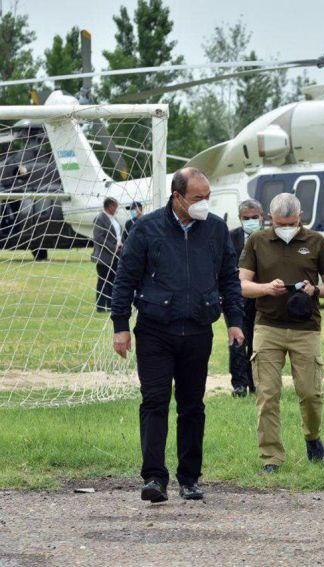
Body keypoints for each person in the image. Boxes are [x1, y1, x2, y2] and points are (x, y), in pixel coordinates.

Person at [111, 167, 244, 503]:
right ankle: (155, 478)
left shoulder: (215, 230)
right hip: (156, 330)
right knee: (154, 401)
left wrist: (235, 320)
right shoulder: (147, 228)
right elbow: (125, 279)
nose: (204, 204)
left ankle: (190, 478)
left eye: (208, 197)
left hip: (198, 330)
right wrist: (120, 326)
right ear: (177, 197)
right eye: (198, 198)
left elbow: (230, 278)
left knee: (192, 406)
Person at [239, 192, 324, 473]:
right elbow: (242, 284)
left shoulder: (316, 241)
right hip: (267, 326)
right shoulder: (257, 241)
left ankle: (312, 436)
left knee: (310, 393)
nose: (286, 228)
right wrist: (266, 288)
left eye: (291, 223)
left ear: (300, 217)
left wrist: (315, 289)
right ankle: (271, 457)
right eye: (280, 223)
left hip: (305, 328)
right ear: (270, 219)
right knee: (267, 394)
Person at [229, 198, 264, 397]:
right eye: (246, 218)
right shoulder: (230, 237)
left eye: (254, 217)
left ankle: (254, 382)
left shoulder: (268, 238)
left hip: (260, 297)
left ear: (262, 217)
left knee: (256, 341)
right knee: (237, 341)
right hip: (236, 298)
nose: (250, 221)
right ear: (240, 219)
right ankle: (239, 384)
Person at [92, 197, 122, 312]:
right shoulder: (100, 218)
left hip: (116, 255)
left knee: (113, 281)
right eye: (115, 206)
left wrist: (120, 244)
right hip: (105, 256)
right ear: (110, 206)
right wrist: (113, 247)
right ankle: (100, 306)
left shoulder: (114, 219)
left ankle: (110, 305)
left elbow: (117, 235)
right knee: (103, 281)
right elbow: (99, 237)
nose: (117, 209)